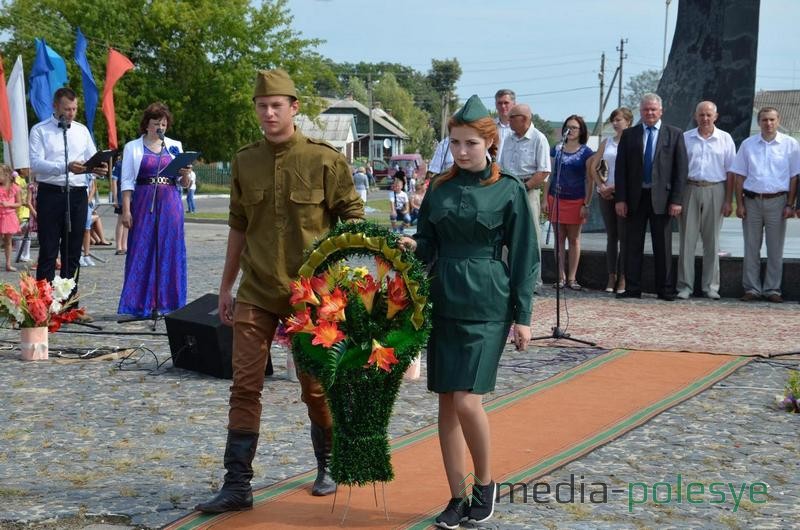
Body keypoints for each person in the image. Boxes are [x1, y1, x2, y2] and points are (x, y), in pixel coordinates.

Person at [196, 69, 364, 514]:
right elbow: (237, 225)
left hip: (311, 294)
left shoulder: (324, 160)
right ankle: (237, 484)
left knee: (315, 388)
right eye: (261, 106)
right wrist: (225, 286)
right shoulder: (244, 161)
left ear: (294, 108)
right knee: (244, 386)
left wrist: (341, 281)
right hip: (256, 289)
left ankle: (328, 463)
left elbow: (354, 220)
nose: (268, 113)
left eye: (277, 106)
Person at [399, 95, 537, 528]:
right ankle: (456, 497)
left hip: (489, 303)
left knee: (466, 400)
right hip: (443, 301)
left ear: (489, 143)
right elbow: (428, 244)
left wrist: (524, 316)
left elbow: (527, 256)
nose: (462, 151)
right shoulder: (439, 187)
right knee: (446, 403)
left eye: (471, 143)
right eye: (456, 142)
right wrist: (410, 247)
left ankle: (486, 483)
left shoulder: (510, 188)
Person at [29, 87, 107, 288]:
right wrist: (65, 167)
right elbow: (36, 164)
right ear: (55, 106)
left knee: (72, 251)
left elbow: (91, 158)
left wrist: (98, 168)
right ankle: (43, 305)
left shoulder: (81, 130)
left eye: (74, 109)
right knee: (48, 250)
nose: (71, 113)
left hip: (77, 196)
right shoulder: (40, 130)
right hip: (51, 194)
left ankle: (70, 304)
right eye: (67, 109)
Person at [118, 102, 191, 317]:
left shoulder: (174, 146)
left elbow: (183, 182)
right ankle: (140, 302)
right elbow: (127, 181)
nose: (161, 127)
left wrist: (186, 173)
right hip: (144, 200)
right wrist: (126, 210)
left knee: (170, 250)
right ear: (147, 125)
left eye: (164, 124)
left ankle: (168, 302)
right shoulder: (133, 147)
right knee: (142, 248)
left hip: (170, 202)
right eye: (157, 123)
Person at [615, 93, 688, 301]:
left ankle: (665, 289)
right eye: (646, 109)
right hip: (635, 198)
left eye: (653, 110)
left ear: (661, 111)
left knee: (663, 247)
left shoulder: (674, 134)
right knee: (632, 245)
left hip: (663, 200)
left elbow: (680, 170)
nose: (649, 113)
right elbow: (621, 169)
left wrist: (677, 200)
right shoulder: (630, 135)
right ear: (641, 111)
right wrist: (620, 199)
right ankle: (632, 288)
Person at [731, 106, 800, 303]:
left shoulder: (790, 144)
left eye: (772, 120)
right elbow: (739, 176)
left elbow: (794, 177)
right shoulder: (748, 144)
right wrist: (740, 204)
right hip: (751, 201)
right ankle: (752, 288)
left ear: (778, 121)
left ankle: (772, 289)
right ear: (759, 122)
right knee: (751, 246)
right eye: (764, 120)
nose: (768, 124)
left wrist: (790, 204)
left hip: (778, 202)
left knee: (775, 247)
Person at [676, 101, 736, 300]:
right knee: (687, 240)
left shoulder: (725, 139)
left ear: (715, 117)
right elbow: (678, 169)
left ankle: (711, 286)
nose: (705, 118)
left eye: (709, 115)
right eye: (701, 114)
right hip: (690, 188)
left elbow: (731, 173)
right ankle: (685, 286)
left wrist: (729, 200)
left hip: (715, 189)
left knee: (712, 241)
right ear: (695, 116)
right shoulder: (686, 138)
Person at [501, 103, 551, 293]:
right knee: (505, 233)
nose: (508, 120)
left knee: (531, 235)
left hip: (528, 190)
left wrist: (524, 187)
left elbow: (544, 170)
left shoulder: (539, 138)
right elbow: (501, 164)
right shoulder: (508, 138)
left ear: (523, 118)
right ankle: (506, 276)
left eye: (512, 117)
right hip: (507, 188)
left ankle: (534, 280)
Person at [586, 107, 633, 294]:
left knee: (625, 237)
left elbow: (633, 171)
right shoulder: (607, 143)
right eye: (613, 120)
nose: (615, 123)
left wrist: (616, 187)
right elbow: (593, 166)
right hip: (605, 193)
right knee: (611, 236)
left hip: (623, 194)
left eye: (619, 120)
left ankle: (623, 277)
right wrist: (601, 186)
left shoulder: (633, 142)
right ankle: (611, 275)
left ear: (628, 121)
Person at [544, 115, 594, 289]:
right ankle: (560, 277)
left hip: (576, 200)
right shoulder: (555, 149)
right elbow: (549, 175)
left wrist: (586, 204)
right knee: (559, 239)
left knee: (574, 239)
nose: (570, 130)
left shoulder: (587, 152)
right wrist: (545, 199)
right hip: (556, 198)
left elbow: (590, 179)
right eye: (568, 127)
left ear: (581, 131)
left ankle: (572, 278)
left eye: (574, 128)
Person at [0, 165, 21, 272]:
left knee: (8, 241)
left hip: (9, 216)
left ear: (7, 175)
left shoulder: (15, 188)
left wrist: (8, 204)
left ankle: (8, 264)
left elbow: (19, 203)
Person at [493, 88, 516, 166]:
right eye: (499, 103)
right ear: (496, 105)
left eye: (506, 103)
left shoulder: (520, 129)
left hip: (513, 174)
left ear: (514, 104)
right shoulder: (489, 127)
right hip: (492, 172)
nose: (503, 106)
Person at [110, 158, 128, 255]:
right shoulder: (119, 164)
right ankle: (118, 246)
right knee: (121, 221)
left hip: (132, 196)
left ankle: (125, 245)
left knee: (128, 222)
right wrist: (115, 198)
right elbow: (114, 181)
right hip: (121, 196)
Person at [79, 173, 97, 267]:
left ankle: (87, 254)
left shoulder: (90, 172)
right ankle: (79, 255)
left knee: (87, 229)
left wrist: (88, 200)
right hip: (78, 202)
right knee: (78, 230)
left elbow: (93, 186)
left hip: (87, 204)